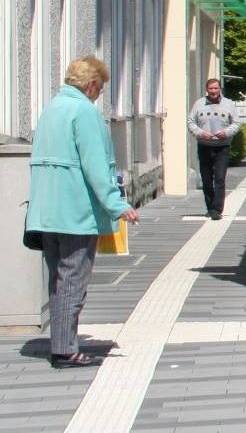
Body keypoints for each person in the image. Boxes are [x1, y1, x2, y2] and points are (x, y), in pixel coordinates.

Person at [26, 56, 140, 369]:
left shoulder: (51, 109)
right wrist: (118, 206)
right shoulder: (84, 112)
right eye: (100, 88)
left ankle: (61, 342)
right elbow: (96, 166)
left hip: (46, 211)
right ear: (90, 84)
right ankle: (65, 350)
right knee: (73, 280)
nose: (99, 94)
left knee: (58, 279)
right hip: (75, 211)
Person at [186, 78, 241, 220]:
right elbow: (191, 122)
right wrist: (200, 133)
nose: (213, 91)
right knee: (206, 179)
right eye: (211, 89)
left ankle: (217, 209)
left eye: (216, 88)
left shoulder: (229, 104)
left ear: (220, 89)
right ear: (207, 90)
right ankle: (209, 207)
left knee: (220, 178)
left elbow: (236, 123)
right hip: (204, 145)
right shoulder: (199, 104)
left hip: (222, 147)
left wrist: (226, 133)